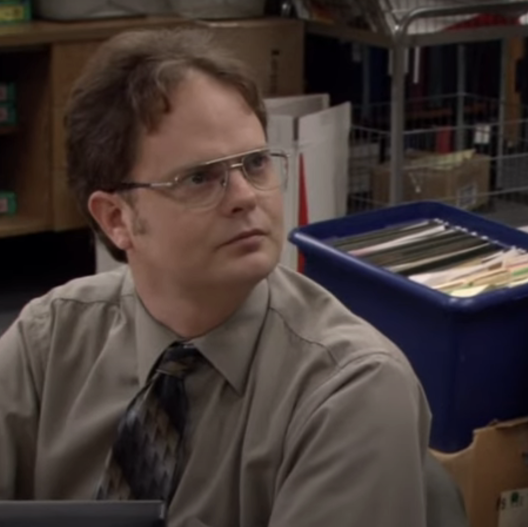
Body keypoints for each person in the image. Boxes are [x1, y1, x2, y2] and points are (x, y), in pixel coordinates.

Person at [0, 28, 434, 527]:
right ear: (117, 219)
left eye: (254, 163)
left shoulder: (352, 389)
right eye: (200, 178)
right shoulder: (49, 339)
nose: (246, 196)